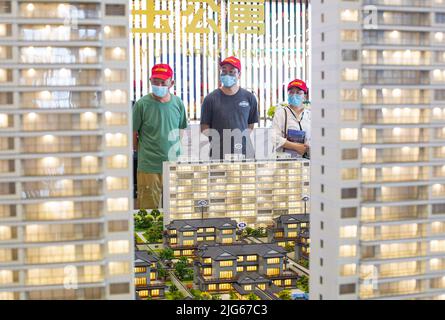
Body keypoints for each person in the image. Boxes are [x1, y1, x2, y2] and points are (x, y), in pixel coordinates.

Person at [133, 64, 188, 209]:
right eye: (155, 81)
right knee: (148, 209)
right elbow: (133, 132)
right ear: (150, 81)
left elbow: (181, 129)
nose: (159, 85)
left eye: (163, 82)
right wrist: (140, 153)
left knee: (175, 207)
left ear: (171, 83)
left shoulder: (178, 103)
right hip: (149, 165)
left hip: (173, 163)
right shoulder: (142, 105)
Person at [200, 56, 259, 160]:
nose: (227, 74)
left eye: (232, 72)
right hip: (218, 155)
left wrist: (237, 139)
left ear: (239, 75)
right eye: (224, 71)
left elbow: (250, 126)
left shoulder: (249, 97)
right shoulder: (210, 99)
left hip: (244, 153)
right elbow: (204, 128)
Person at [272, 79, 311, 159]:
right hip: (285, 161)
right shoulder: (281, 113)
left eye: (298, 93)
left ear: (305, 95)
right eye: (291, 92)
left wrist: (307, 146)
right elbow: (274, 137)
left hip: (306, 160)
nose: (294, 95)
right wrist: (295, 146)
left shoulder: (310, 115)